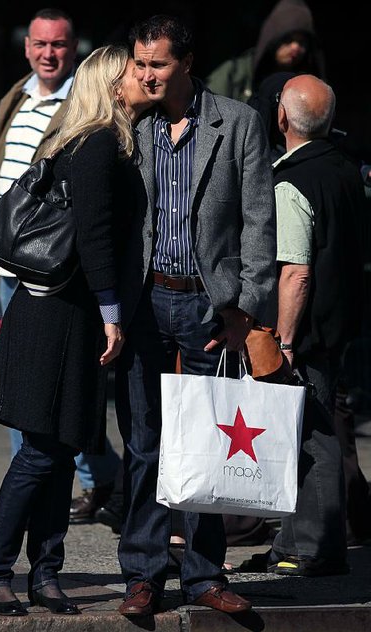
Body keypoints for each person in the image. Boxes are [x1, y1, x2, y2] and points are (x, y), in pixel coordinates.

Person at [0, 44, 152, 617]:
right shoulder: (98, 144)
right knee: (40, 451)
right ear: (109, 83)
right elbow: (97, 238)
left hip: (58, 311)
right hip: (61, 314)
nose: (141, 78)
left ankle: (46, 574)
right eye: (131, 72)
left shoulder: (79, 139)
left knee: (60, 445)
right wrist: (112, 313)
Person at [116, 14, 276, 617]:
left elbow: (261, 221)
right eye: (140, 63)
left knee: (209, 443)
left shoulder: (236, 123)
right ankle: (144, 572)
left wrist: (245, 308)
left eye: (157, 64)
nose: (146, 74)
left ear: (186, 63)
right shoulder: (131, 125)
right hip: (143, 300)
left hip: (210, 303)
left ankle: (206, 574)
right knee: (143, 442)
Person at [0, 6, 122, 522]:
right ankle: (81, 481)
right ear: (27, 47)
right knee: (22, 393)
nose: (49, 54)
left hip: (52, 268)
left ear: (75, 49)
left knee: (53, 394)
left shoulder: (82, 104)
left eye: (59, 45)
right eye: (40, 44)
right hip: (10, 265)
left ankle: (80, 483)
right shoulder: (16, 97)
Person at [244, 75, 362, 576]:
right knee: (311, 434)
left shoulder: (291, 181)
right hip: (340, 325)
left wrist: (284, 342)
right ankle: (291, 543)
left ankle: (313, 549)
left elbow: (295, 270)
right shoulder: (342, 167)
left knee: (312, 438)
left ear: (282, 118)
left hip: (307, 332)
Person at [205, 0, 325, 103]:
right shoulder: (234, 74)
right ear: (272, 39)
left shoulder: (309, 83)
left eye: (302, 42)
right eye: (288, 39)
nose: (295, 47)